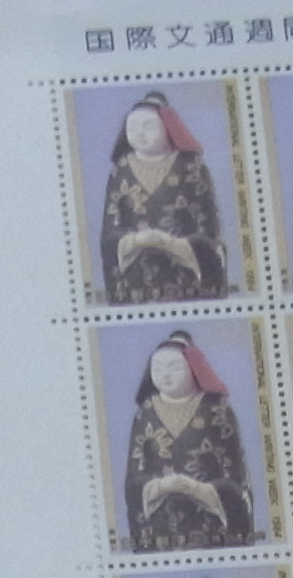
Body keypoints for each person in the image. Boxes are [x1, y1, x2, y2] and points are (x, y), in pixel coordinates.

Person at [124, 329, 257, 549]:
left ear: (193, 369)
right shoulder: (145, 413)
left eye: (174, 368)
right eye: (158, 368)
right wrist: (160, 486)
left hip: (210, 525)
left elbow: (234, 477)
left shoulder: (217, 410)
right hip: (160, 527)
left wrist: (195, 488)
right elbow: (134, 477)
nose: (165, 374)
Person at [97, 92, 228, 303]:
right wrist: (136, 240)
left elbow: (208, 229)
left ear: (167, 127)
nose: (140, 134)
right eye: (132, 128)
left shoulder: (192, 167)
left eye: (148, 127)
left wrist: (172, 244)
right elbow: (110, 230)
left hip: (186, 279)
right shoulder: (120, 171)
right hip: (136, 279)